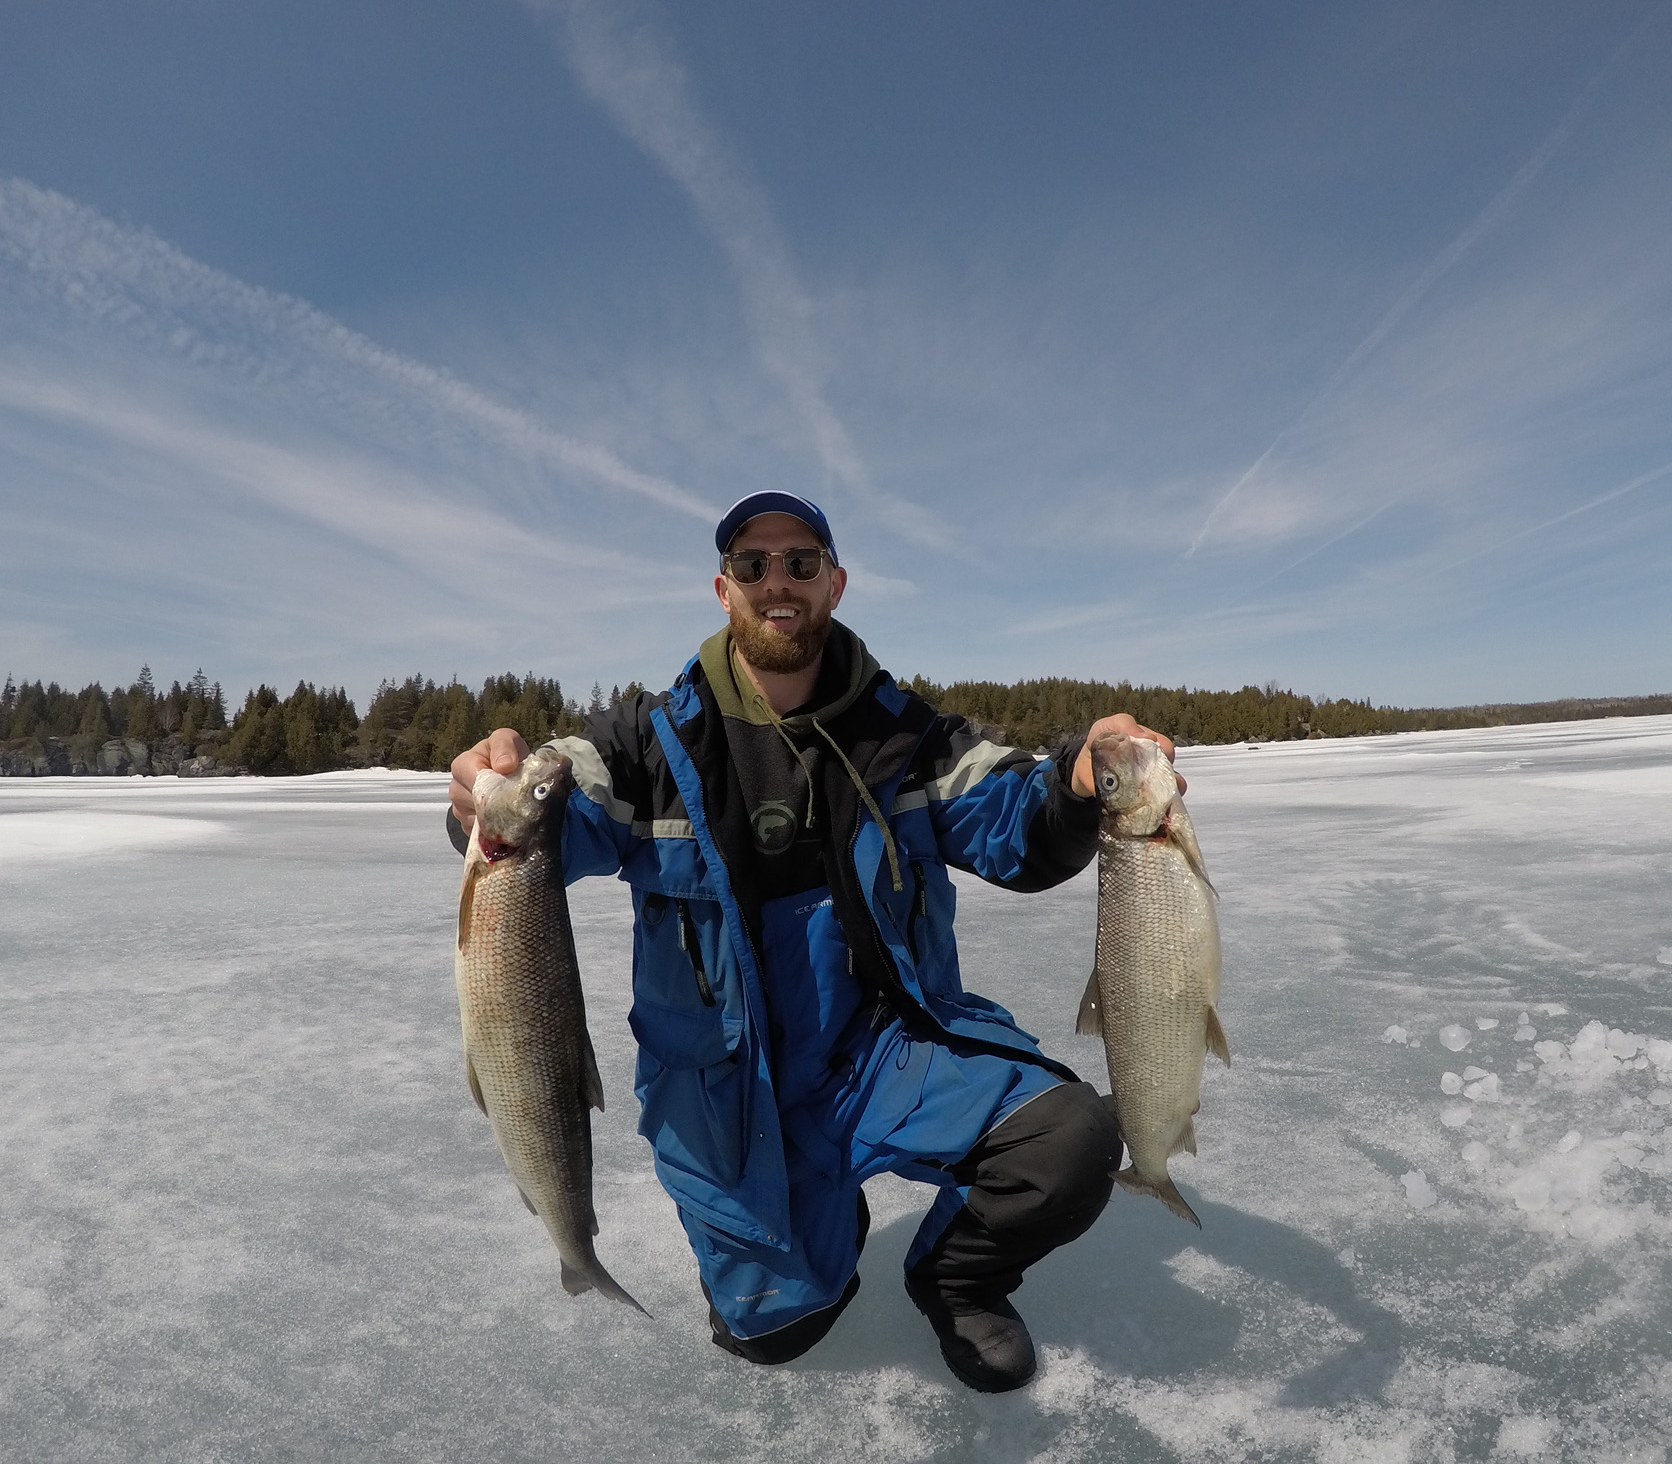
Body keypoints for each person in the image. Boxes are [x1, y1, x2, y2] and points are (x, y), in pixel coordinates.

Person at [447, 489, 1179, 1392]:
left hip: (884, 1050)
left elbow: (1014, 822)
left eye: (801, 562)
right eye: (753, 565)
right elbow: (564, 802)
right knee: (779, 1331)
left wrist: (1076, 775)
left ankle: (957, 1276)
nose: (777, 582)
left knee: (1066, 1141)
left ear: (835, 582)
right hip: (724, 1090)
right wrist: (485, 788)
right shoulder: (646, 740)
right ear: (724, 589)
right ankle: (810, 1226)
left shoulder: (905, 734)